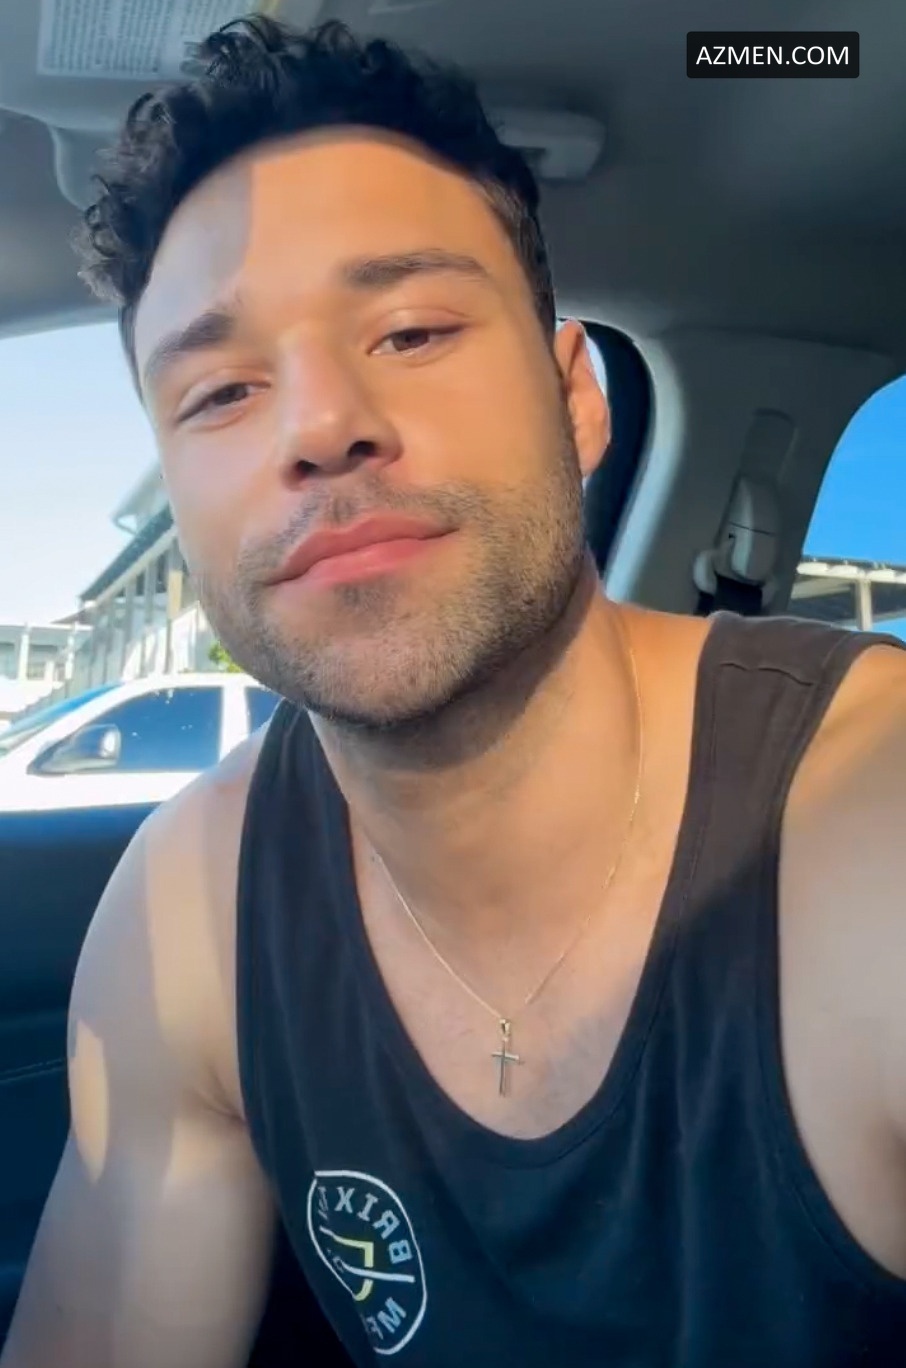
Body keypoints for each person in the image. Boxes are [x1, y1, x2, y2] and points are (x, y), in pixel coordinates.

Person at [4, 14, 906, 1368]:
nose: (320, 426)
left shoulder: (868, 824)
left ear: (577, 400)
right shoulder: (191, 910)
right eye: (221, 392)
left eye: (413, 330)